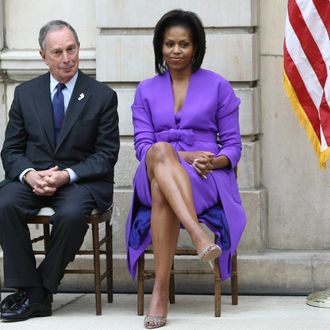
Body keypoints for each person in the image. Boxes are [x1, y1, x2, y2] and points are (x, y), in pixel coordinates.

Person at [125, 9, 246, 329]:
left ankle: (160, 293)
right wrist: (187, 155)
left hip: (205, 177)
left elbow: (233, 146)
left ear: (196, 48)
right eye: (169, 44)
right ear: (159, 47)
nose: (175, 51)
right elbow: (143, 147)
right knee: (161, 152)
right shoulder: (146, 89)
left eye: (183, 44)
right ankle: (198, 234)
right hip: (153, 167)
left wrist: (214, 160)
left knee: (161, 192)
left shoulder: (218, 86)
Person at [0, 20, 119, 322]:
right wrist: (29, 174)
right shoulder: (26, 94)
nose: (67, 58)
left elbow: (106, 155)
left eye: (72, 49)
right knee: (4, 203)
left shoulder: (102, 96)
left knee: (71, 214)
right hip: (34, 178)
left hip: (80, 182)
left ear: (78, 49)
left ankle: (36, 293)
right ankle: (32, 290)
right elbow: (11, 151)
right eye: (58, 52)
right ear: (44, 56)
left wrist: (66, 175)